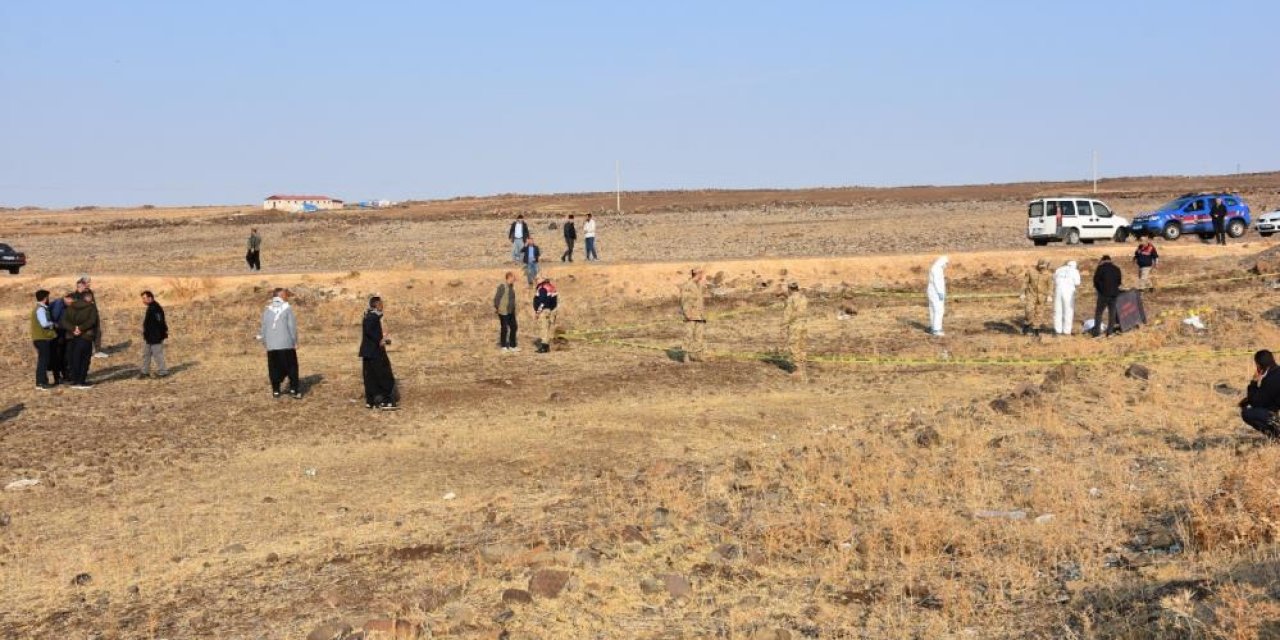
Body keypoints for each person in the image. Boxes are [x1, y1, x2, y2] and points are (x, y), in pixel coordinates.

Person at [260, 288, 301, 399]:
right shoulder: (287, 309)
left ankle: (276, 390)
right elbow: (291, 327)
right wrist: (295, 341)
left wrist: (265, 342)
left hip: (272, 346)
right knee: (292, 367)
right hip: (286, 344)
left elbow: (263, 328)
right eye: (284, 295)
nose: (286, 296)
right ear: (279, 296)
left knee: (274, 368)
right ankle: (294, 389)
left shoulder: (267, 310)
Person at [360, 296, 398, 410]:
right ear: (376, 305)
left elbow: (370, 331)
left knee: (370, 377)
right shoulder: (372, 317)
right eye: (381, 304)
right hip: (375, 353)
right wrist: (380, 340)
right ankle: (387, 401)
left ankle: (371, 401)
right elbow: (370, 331)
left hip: (368, 352)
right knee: (385, 375)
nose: (383, 306)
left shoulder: (369, 316)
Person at [61, 291, 100, 389]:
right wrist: (81, 328)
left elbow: (64, 321)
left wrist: (73, 329)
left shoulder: (70, 307)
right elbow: (92, 321)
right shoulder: (91, 308)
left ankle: (75, 380)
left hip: (72, 337)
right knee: (84, 359)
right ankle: (81, 381)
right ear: (88, 298)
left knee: (74, 358)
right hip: (85, 336)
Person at [1240, 350, 1280, 438]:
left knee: (1247, 413)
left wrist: (1253, 383)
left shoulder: (1270, 379)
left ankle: (1276, 435)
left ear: (1258, 365)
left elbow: (1256, 402)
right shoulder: (1276, 372)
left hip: (1273, 412)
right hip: (1274, 408)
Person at [680, 267, 708, 362]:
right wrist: (687, 313)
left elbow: (699, 301)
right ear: (697, 274)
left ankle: (698, 355)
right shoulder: (688, 286)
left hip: (699, 315)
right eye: (701, 274)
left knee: (699, 336)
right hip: (691, 315)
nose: (702, 276)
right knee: (688, 335)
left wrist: (703, 314)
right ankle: (686, 356)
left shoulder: (699, 286)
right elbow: (684, 301)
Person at [140, 290, 169, 378]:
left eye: (144, 298)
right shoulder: (150, 307)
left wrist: (159, 335)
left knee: (157, 354)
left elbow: (160, 322)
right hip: (149, 337)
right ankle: (145, 372)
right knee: (146, 354)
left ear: (150, 298)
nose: (143, 300)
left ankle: (163, 372)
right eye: (142, 298)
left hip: (155, 337)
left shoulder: (156, 308)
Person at [1091, 255, 1123, 337]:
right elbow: (1119, 281)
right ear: (1110, 260)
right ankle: (1110, 332)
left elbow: (1095, 281)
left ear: (1103, 260)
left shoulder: (1100, 268)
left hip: (1103, 294)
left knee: (1099, 313)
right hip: (1114, 294)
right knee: (1112, 313)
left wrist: (1100, 290)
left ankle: (1097, 333)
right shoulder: (1116, 268)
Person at [78, 276, 109, 358]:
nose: (89, 284)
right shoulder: (80, 293)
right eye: (88, 282)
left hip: (94, 314)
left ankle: (97, 351)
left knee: (97, 332)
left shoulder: (90, 291)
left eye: (89, 282)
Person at [31, 290, 56, 390]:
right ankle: (41, 382)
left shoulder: (38, 308)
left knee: (43, 360)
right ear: (45, 298)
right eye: (48, 297)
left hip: (39, 338)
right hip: (42, 338)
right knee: (43, 361)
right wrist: (52, 323)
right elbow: (44, 324)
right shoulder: (41, 309)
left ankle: (41, 381)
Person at [783, 282, 809, 377]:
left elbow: (788, 314)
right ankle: (803, 369)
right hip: (803, 325)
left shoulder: (791, 299)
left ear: (790, 288)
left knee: (794, 346)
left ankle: (798, 371)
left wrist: (783, 326)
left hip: (795, 325)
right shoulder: (803, 297)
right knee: (802, 346)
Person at [1021, 259, 1053, 336]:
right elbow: (1025, 282)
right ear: (1038, 265)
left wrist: (1049, 295)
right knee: (1029, 310)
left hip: (1042, 297)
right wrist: (1022, 293)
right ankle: (1027, 324)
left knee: (1039, 313)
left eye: (1044, 267)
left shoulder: (1048, 274)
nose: (1042, 268)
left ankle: (1036, 330)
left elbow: (1050, 286)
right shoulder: (1030, 271)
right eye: (1041, 266)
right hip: (1031, 294)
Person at [49, 291, 72, 385]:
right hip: (58, 334)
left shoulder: (65, 305)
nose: (72, 301)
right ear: (66, 298)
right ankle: (57, 377)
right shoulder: (59, 305)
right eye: (71, 299)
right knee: (58, 356)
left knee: (64, 356)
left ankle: (65, 376)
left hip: (64, 333)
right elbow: (55, 319)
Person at [1052, 261, 1081, 336]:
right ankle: (1067, 331)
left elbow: (1054, 280)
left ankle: (1057, 330)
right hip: (1069, 292)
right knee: (1068, 311)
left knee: (1057, 311)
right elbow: (1077, 283)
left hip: (1058, 291)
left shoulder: (1058, 269)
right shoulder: (1075, 271)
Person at [494, 271, 519, 352]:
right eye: (513, 277)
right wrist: (498, 308)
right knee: (504, 328)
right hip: (503, 311)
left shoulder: (511, 286)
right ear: (509, 277)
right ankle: (503, 346)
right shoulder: (502, 287)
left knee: (514, 327)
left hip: (511, 311)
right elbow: (496, 299)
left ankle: (512, 346)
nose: (514, 279)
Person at [533, 277, 559, 353]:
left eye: (537, 279)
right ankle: (547, 345)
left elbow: (542, 302)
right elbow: (555, 299)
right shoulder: (550, 286)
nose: (536, 280)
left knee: (544, 328)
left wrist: (538, 312)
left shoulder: (542, 288)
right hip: (552, 310)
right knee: (548, 328)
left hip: (544, 311)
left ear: (542, 280)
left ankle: (544, 347)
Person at [926, 256, 949, 337]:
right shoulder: (937, 269)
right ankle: (937, 329)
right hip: (936, 293)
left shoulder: (934, 267)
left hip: (932, 292)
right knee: (938, 310)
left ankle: (933, 327)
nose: (946, 265)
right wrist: (940, 292)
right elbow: (936, 282)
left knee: (932, 309)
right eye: (946, 263)